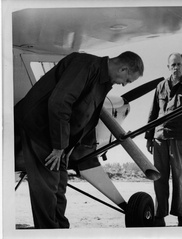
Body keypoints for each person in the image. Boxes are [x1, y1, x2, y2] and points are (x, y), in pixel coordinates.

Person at [14, 51, 144, 229]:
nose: (123, 84)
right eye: (127, 80)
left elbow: (83, 119)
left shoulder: (102, 79)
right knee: (47, 186)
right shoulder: (85, 65)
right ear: (123, 68)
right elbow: (59, 103)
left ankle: (60, 228)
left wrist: (67, 149)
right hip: (40, 129)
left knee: (59, 183)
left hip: (56, 135)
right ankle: (48, 231)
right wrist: (59, 147)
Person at [145, 52, 182, 227]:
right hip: (160, 138)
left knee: (179, 177)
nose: (176, 67)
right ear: (168, 67)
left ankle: (181, 216)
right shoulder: (160, 87)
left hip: (181, 139)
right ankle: (159, 215)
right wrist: (149, 137)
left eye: (178, 64)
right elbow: (153, 113)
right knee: (159, 177)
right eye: (173, 65)